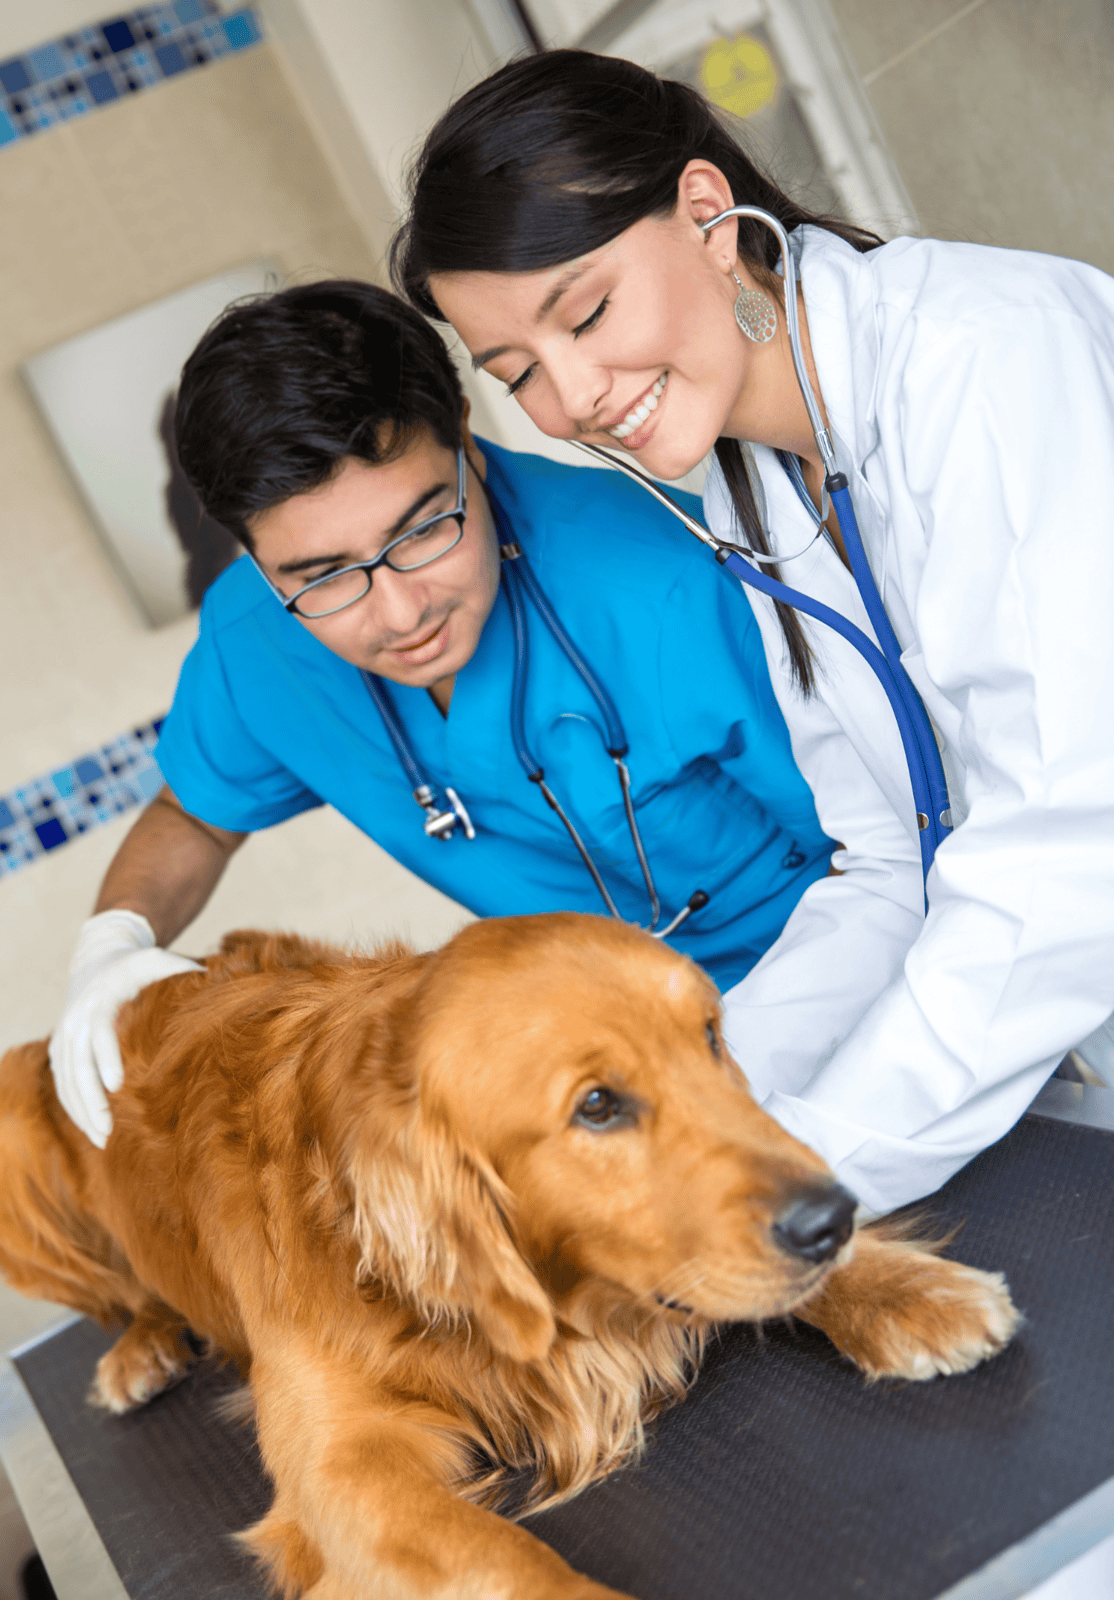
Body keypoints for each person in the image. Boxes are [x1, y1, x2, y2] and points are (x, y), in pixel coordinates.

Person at [391, 49, 1114, 1215]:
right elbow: (889, 862)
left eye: (587, 312)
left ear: (706, 214)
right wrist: (695, 1129)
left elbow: (1081, 845)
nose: (573, 399)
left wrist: (784, 1183)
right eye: (518, 371)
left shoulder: (986, 360)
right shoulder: (751, 487)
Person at [49, 278, 834, 1146]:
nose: (398, 614)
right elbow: (195, 814)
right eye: (320, 576)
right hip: (600, 1079)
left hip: (831, 1012)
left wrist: (758, 1072)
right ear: (252, 555)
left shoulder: (666, 586)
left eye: (424, 530)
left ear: (466, 434)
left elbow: (894, 849)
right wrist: (114, 944)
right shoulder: (252, 643)